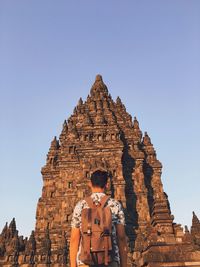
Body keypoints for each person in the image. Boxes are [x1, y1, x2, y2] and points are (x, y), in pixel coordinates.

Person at [70, 170, 127, 267]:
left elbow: (74, 239)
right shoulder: (115, 205)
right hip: (110, 260)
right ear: (106, 185)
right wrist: (124, 264)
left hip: (85, 261)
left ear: (90, 184)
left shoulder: (80, 205)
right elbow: (121, 237)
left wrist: (73, 265)